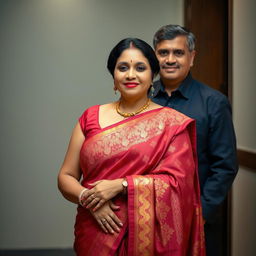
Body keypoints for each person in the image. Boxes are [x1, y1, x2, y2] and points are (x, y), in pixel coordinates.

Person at [58, 37, 205, 256]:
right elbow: (66, 176)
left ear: (152, 75)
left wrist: (122, 185)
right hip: (94, 231)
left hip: (149, 242)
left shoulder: (172, 124)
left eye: (140, 68)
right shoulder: (90, 117)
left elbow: (178, 184)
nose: (130, 75)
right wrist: (91, 202)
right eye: (123, 67)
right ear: (114, 76)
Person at [150, 24, 238, 256]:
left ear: (192, 58)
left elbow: (225, 165)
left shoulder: (214, 103)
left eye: (178, 53)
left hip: (196, 218)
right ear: (154, 56)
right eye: (163, 52)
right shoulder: (142, 98)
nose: (170, 60)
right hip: (148, 215)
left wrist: (202, 212)